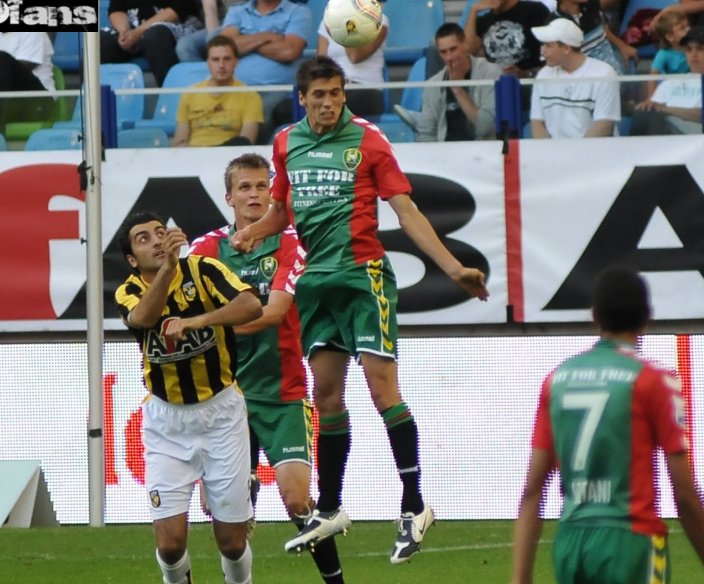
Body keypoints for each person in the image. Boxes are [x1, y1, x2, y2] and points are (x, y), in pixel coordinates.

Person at [230, 56, 489, 565]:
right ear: (301, 98)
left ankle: (413, 505)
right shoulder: (285, 143)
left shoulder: (368, 139)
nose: (328, 102)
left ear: (343, 93)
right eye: (319, 94)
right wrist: (253, 232)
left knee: (381, 388)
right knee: (326, 396)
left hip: (362, 278)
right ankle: (330, 506)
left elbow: (406, 210)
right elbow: (282, 210)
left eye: (335, 92)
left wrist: (453, 267)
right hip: (314, 287)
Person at [189, 153, 346, 584]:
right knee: (217, 513)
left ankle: (336, 581)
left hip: (282, 393)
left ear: (274, 194)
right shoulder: (206, 250)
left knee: (299, 502)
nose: (254, 195)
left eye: (262, 186)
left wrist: (210, 323)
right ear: (229, 197)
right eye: (245, 187)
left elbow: (275, 311)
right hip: (224, 398)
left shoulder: (290, 242)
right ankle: (244, 496)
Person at [511, 267, 704, 584]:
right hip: (630, 541)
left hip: (572, 542)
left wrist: (519, 580)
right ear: (647, 317)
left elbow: (533, 490)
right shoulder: (655, 380)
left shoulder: (557, 380)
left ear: (595, 316)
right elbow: (684, 495)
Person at [115, 212, 262, 584]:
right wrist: (167, 269)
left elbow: (251, 306)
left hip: (222, 415)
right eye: (144, 238)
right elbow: (145, 318)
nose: (157, 240)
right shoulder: (128, 290)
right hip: (167, 423)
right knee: (170, 544)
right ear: (133, 259)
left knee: (231, 541)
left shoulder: (205, 270)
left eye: (160, 233)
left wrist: (195, 322)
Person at [220, 0, 311, 138]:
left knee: (257, 115)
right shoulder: (237, 11)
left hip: (278, 90)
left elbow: (289, 51)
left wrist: (245, 41)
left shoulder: (298, 12)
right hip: (236, 88)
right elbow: (226, 47)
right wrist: (268, 37)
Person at [396, 22, 501, 142]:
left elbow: (486, 127)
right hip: (445, 152)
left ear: (465, 45)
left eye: (453, 49)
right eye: (443, 52)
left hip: (482, 151)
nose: (449, 57)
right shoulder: (433, 85)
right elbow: (427, 133)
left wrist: (458, 90)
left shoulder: (490, 73)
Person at [529, 18, 620, 138]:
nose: (543, 50)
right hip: (555, 153)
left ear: (566, 48)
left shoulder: (604, 74)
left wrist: (575, 154)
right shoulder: (544, 75)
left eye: (548, 45)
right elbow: (537, 123)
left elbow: (604, 126)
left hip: (595, 153)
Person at [173, 35, 264, 147]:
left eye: (227, 59)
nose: (221, 65)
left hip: (229, 157)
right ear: (208, 63)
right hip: (194, 156)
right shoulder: (190, 94)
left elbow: (246, 142)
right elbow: (179, 141)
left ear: (236, 62)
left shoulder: (251, 97)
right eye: (215, 60)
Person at [101, 0, 200, 86]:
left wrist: (138, 32)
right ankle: (97, 97)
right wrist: (124, 32)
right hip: (132, 27)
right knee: (101, 41)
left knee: (155, 36)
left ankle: (169, 95)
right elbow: (116, 9)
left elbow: (178, 10)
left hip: (173, 26)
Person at [316, 0, 388, 119]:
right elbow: (320, 63)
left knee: (342, 103)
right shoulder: (326, 21)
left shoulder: (379, 20)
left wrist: (348, 19)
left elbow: (355, 56)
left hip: (365, 88)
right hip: (333, 89)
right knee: (286, 108)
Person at [464, 0, 551, 78]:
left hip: (532, 83)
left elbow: (555, 50)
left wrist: (526, 73)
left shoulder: (535, 10)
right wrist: (473, 11)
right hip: (497, 86)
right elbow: (467, 50)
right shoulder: (482, 22)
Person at [632, 25, 704, 136]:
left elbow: (701, 115)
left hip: (694, 137)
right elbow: (654, 107)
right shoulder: (670, 83)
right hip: (666, 134)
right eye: (689, 50)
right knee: (644, 112)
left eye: (700, 49)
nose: (693, 55)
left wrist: (666, 110)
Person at [550, 0, 637, 75]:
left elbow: (602, 28)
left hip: (612, 68)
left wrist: (622, 46)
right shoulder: (554, 25)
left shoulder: (592, 4)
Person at [176, 0, 254, 63]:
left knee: (213, 37)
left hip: (247, 19)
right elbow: (210, 8)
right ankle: (207, 74)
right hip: (222, 23)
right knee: (185, 46)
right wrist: (213, 37)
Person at [645, 8, 690, 99]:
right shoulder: (663, 54)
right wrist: (651, 99)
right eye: (682, 28)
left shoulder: (693, 48)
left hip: (691, 88)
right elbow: (653, 76)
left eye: (688, 26)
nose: (688, 30)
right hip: (672, 91)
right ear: (670, 37)